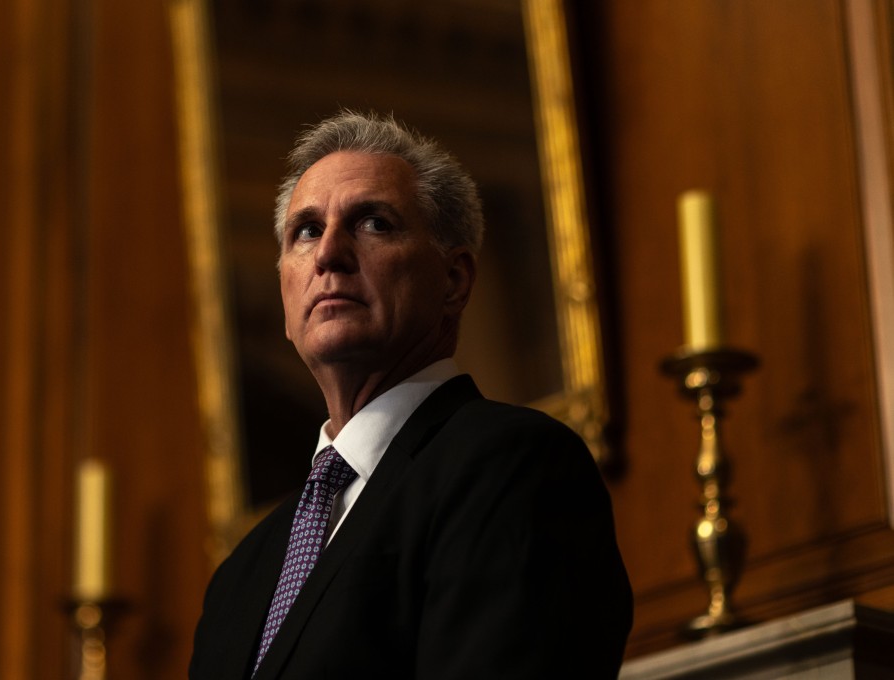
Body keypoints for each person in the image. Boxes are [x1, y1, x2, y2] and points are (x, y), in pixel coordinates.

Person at [189, 110, 632, 679]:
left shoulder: (514, 466)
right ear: (285, 295)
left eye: (374, 223)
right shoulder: (241, 573)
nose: (328, 253)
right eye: (306, 231)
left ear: (454, 281)